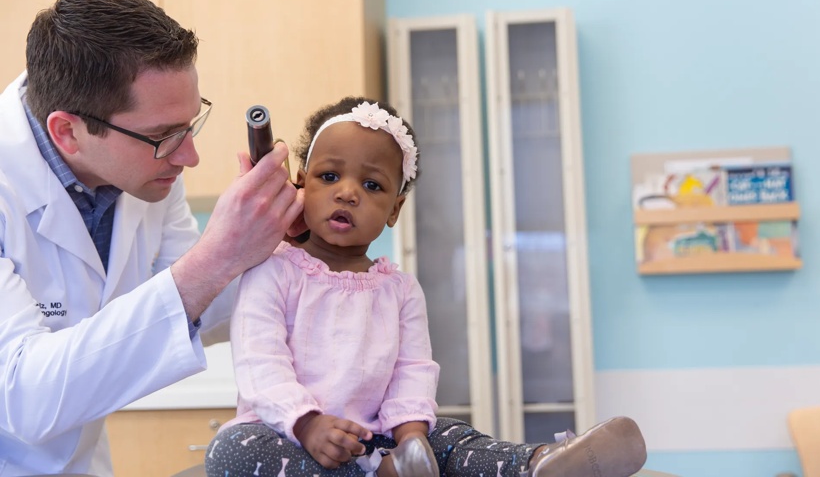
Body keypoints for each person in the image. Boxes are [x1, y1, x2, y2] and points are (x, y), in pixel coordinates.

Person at [205, 97, 647, 477]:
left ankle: (540, 463)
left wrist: (411, 438)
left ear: (394, 209)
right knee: (234, 451)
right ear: (300, 183)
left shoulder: (399, 289)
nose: (347, 193)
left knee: (451, 434)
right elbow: (260, 362)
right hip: (291, 435)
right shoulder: (272, 270)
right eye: (329, 176)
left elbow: (413, 371)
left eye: (372, 184)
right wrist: (307, 423)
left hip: (385, 440)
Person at [0, 0, 305, 475]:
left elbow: (196, 303)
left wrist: (281, 246)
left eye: (189, 126)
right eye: (165, 137)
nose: (189, 156)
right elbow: (23, 397)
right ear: (67, 132)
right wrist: (220, 253)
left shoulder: (144, 175)